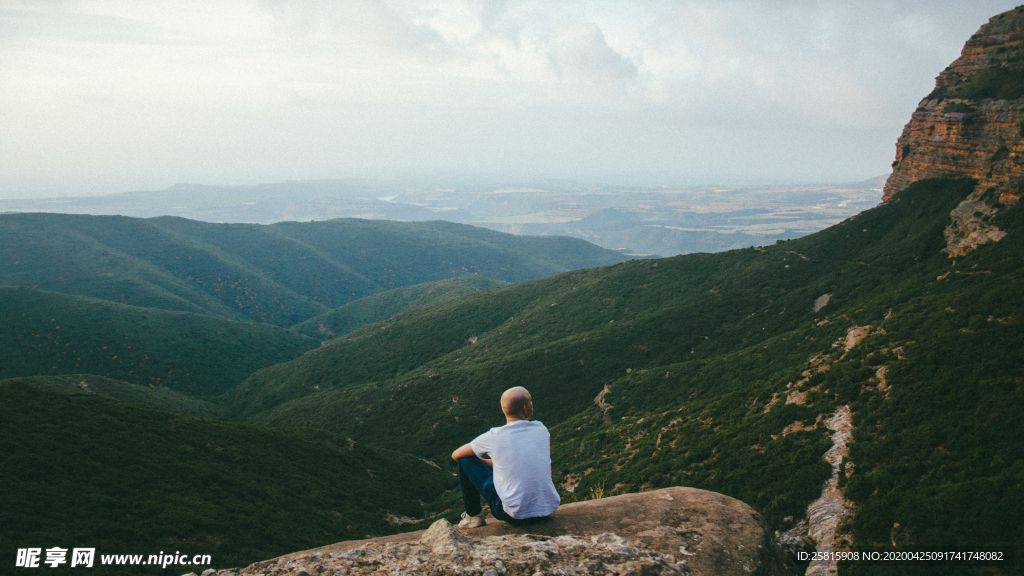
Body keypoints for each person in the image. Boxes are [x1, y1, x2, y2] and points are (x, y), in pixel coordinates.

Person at [450, 386, 560, 528]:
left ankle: (473, 516)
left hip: (515, 516)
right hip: (547, 510)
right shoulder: (541, 429)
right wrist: (493, 462)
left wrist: (481, 463)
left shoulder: (494, 436)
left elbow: (456, 455)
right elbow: (521, 460)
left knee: (465, 460)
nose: (532, 404)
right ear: (525, 408)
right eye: (530, 401)